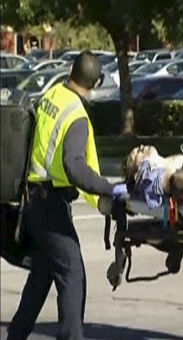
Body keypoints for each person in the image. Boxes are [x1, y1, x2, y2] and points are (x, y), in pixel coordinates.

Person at [7, 51, 128, 340]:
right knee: (73, 275)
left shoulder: (52, 95)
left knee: (43, 275)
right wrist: (110, 189)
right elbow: (74, 167)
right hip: (50, 205)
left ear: (71, 72)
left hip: (33, 199)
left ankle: (16, 335)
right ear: (96, 82)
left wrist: (99, 201)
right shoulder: (77, 116)